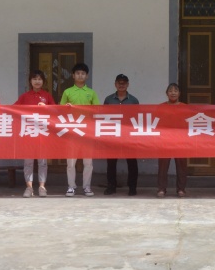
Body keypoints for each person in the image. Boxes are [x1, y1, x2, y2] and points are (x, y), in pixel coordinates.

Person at [14, 70, 56, 198]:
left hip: (43, 134)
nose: (37, 81)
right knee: (28, 162)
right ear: (30, 81)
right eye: (34, 79)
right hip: (28, 133)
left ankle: (42, 187)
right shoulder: (24, 96)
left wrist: (46, 107)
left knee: (42, 162)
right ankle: (29, 187)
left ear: (43, 81)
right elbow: (13, 109)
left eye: (39, 79)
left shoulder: (47, 96)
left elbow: (56, 111)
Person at [60, 63, 100, 197]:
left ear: (87, 76)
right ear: (73, 75)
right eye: (77, 73)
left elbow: (98, 110)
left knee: (88, 162)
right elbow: (60, 110)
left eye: (83, 73)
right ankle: (71, 186)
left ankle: (87, 186)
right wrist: (66, 107)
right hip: (72, 130)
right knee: (71, 162)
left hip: (87, 131)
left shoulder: (91, 92)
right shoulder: (67, 92)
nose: (80, 75)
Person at [103, 74, 140, 196]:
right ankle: (111, 186)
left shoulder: (134, 101)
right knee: (111, 162)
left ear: (128, 84)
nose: (121, 84)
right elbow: (103, 117)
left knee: (132, 162)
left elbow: (137, 118)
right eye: (119, 82)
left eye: (124, 82)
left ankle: (132, 187)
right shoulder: (108, 100)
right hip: (113, 135)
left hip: (129, 135)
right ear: (115, 84)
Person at [157, 83, 187, 198]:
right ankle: (161, 189)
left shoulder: (185, 107)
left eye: (175, 91)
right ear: (166, 93)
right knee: (163, 166)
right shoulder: (161, 107)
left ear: (179, 93)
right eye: (170, 91)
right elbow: (156, 123)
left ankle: (181, 189)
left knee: (181, 166)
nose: (173, 93)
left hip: (180, 140)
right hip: (165, 140)